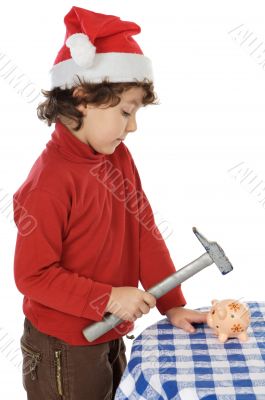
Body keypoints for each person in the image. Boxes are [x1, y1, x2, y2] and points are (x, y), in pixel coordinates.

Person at [13, 6, 207, 400]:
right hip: (62, 348)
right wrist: (107, 297)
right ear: (83, 96)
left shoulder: (117, 159)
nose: (132, 126)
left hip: (110, 330)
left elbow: (144, 231)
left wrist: (171, 304)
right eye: (125, 111)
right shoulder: (49, 183)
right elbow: (32, 276)